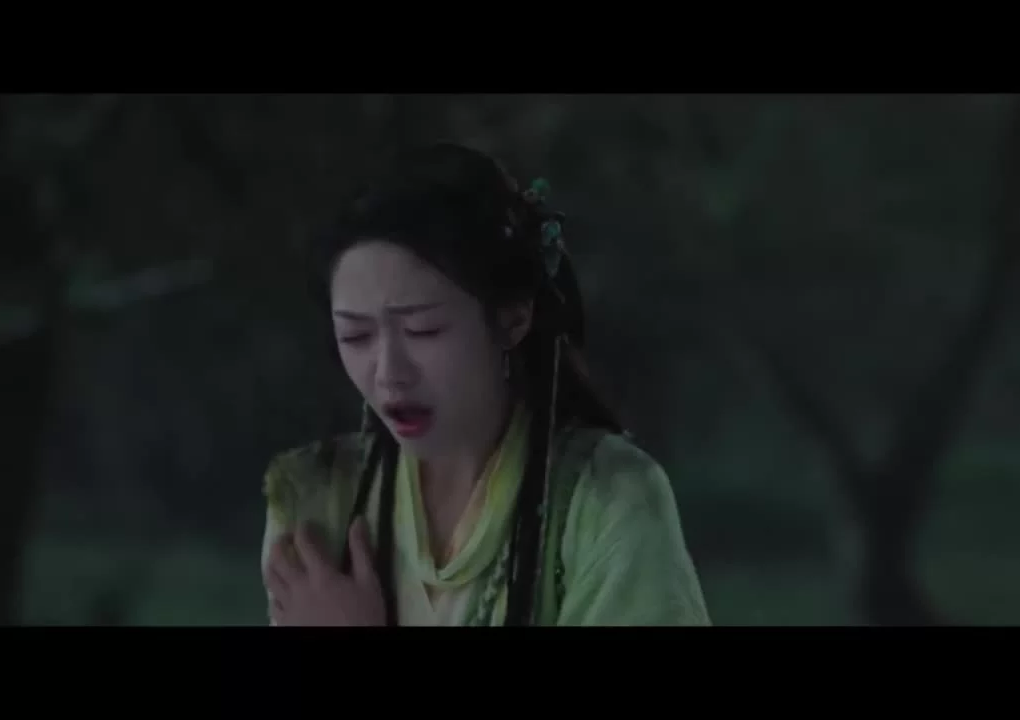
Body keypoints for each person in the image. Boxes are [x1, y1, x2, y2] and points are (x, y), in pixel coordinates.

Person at [259, 142, 710, 626]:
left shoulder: (608, 501)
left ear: (512, 318)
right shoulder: (319, 499)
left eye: (423, 330)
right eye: (356, 336)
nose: (388, 372)